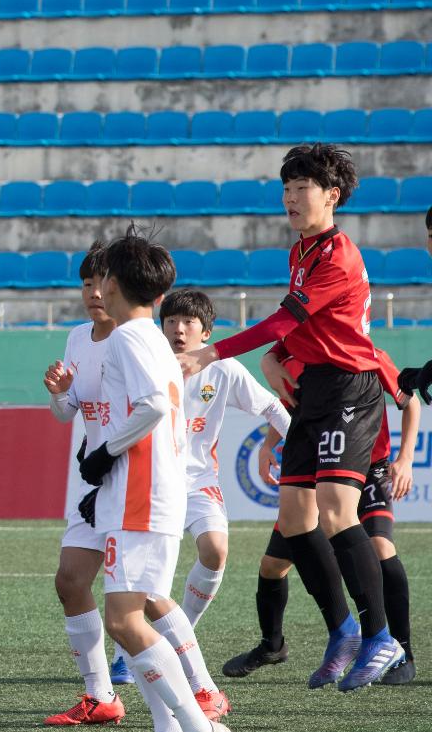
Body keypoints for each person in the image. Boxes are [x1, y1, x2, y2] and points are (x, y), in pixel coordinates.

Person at [178, 144, 406, 691]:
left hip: (350, 388)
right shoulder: (302, 251)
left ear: (331, 195)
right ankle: (344, 631)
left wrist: (214, 351)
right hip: (314, 390)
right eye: (286, 189)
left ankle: (382, 637)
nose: (290, 198)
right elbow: (295, 331)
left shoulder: (338, 255)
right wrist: (276, 358)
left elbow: (286, 320)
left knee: (334, 509)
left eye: (302, 188)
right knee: (295, 516)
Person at [80, 231, 231, 732]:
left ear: (112, 282)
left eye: (101, 278)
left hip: (142, 494)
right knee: (136, 613)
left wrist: (102, 457)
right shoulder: (151, 340)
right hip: (146, 489)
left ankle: (200, 728)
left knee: (123, 620)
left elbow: (151, 407)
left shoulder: (128, 337)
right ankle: (169, 731)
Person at [224, 351, 421, 686]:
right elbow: (290, 406)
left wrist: (405, 459)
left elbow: (410, 402)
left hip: (369, 469)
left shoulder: (366, 354)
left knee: (379, 545)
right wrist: (268, 444)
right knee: (273, 564)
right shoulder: (300, 356)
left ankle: (400, 650)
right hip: (315, 471)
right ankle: (273, 645)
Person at [40, 241, 131, 728]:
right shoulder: (78, 338)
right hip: (95, 484)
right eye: (86, 284)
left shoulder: (138, 340)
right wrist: (58, 394)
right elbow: (67, 412)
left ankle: (202, 690)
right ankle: (100, 695)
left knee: (141, 599)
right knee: (71, 581)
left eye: (103, 284)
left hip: (134, 482)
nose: (94, 293)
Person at [160, 288, 291, 626]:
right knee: (153, 566)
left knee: (216, 551)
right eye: (170, 321)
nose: (178, 329)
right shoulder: (147, 364)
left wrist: (299, 449)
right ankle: (124, 656)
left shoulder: (223, 369)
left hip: (198, 481)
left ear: (206, 333)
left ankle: (182, 635)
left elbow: (272, 406)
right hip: (151, 482)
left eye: (188, 322)